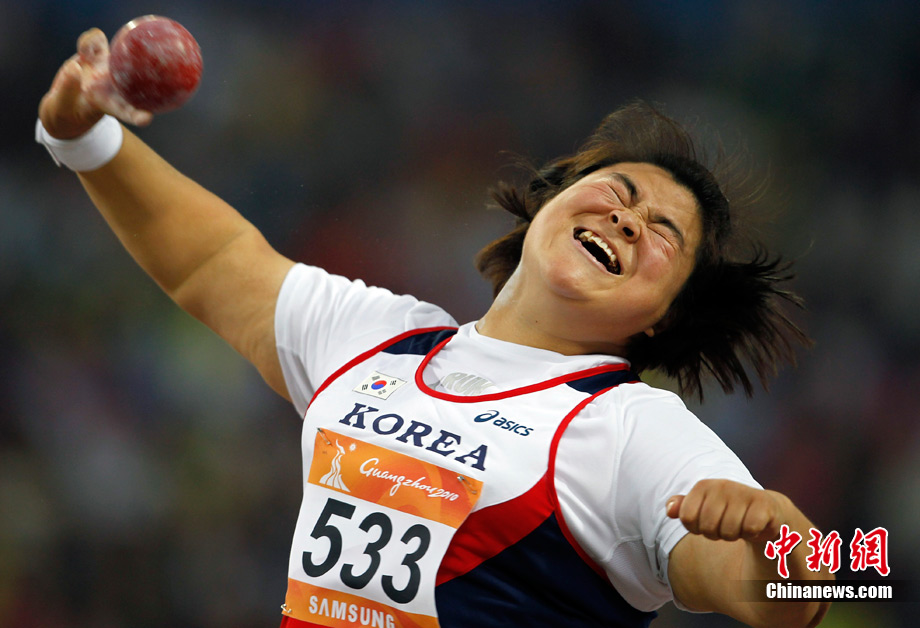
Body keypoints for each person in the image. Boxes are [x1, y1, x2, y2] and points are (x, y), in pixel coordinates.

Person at [37, 28, 833, 628]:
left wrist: (798, 553)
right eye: (618, 191)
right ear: (546, 205)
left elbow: (823, 589)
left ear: (668, 318)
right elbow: (213, 261)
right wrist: (82, 135)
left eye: (664, 232)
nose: (628, 219)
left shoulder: (633, 430)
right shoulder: (380, 339)